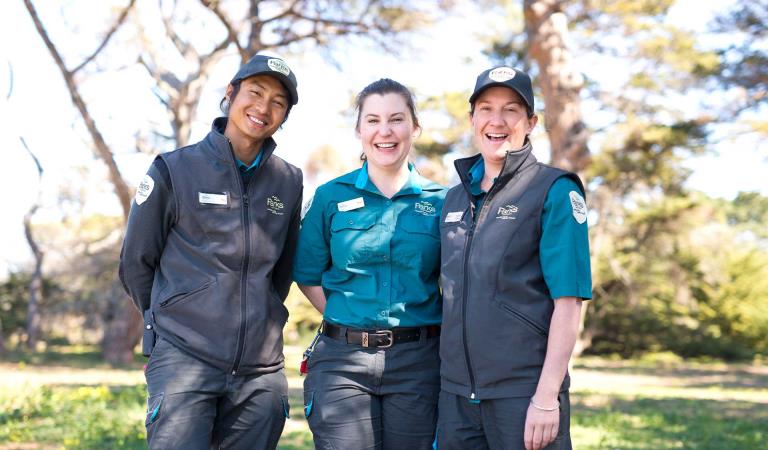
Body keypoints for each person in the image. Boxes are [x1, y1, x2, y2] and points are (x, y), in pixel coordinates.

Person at [119, 54, 303, 450]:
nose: (263, 108)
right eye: (255, 93)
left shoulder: (289, 181)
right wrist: (167, 325)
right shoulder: (174, 169)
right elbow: (136, 262)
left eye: (278, 102)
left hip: (261, 372)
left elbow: (283, 268)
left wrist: (263, 313)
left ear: (284, 116)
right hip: (185, 358)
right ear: (230, 94)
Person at [436, 66, 592, 450]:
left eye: (511, 110)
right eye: (486, 109)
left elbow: (569, 302)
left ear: (530, 122)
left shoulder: (553, 189)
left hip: (523, 395)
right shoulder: (453, 199)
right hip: (456, 398)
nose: (497, 121)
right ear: (473, 119)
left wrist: (545, 397)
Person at [293, 78, 447, 449]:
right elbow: (307, 274)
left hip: (419, 363)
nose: (385, 131)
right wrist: (348, 317)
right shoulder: (330, 196)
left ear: (414, 127)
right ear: (360, 130)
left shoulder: (443, 202)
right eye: (373, 120)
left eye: (396, 119)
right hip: (342, 362)